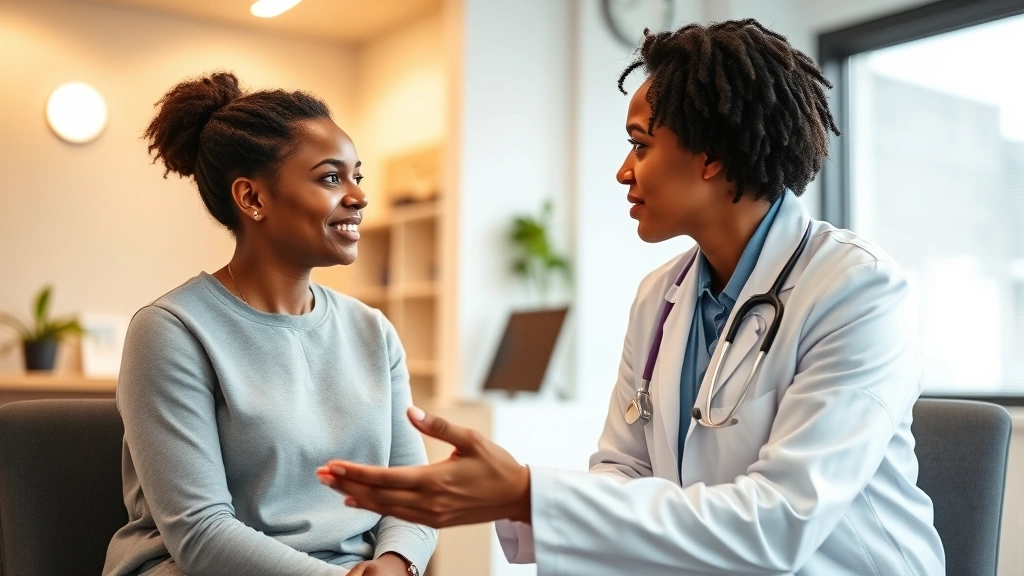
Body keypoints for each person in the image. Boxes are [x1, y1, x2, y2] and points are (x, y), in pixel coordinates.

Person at [317, 20, 945, 575]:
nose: (624, 170)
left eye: (640, 144)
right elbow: (622, 468)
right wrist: (525, 496)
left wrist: (527, 494)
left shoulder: (857, 290)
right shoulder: (662, 295)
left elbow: (779, 521)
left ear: (711, 156)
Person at [102, 72, 434, 576]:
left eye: (357, 177)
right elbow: (200, 532)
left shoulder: (373, 331)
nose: (358, 197)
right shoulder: (170, 331)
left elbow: (411, 492)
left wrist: (395, 561)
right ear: (252, 198)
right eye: (330, 177)